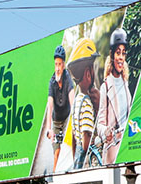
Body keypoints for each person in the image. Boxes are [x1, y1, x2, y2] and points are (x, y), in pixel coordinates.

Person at [97, 28, 132, 166]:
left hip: (128, 146)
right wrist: (105, 132)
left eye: (123, 53)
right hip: (113, 150)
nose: (121, 57)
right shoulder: (105, 86)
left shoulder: (126, 84)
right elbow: (100, 123)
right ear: (112, 55)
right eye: (118, 53)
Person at [67, 38, 101, 170]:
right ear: (88, 74)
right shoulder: (86, 102)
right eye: (92, 69)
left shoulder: (77, 101)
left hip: (78, 161)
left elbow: (74, 139)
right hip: (87, 164)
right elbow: (86, 138)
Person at [43, 44, 74, 172]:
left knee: (70, 144)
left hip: (66, 117)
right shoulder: (52, 82)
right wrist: (49, 129)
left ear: (64, 65)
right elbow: (50, 106)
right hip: (56, 120)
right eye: (56, 64)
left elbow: (72, 100)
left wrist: (74, 119)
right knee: (57, 151)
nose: (57, 68)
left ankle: (74, 169)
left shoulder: (67, 79)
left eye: (60, 64)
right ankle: (56, 176)